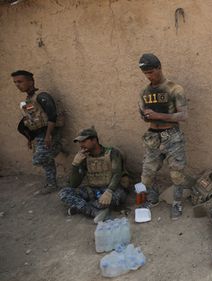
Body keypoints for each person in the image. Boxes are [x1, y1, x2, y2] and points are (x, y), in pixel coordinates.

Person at [137, 53, 191, 220]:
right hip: (152, 136)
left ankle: (177, 202)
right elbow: (143, 114)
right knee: (147, 172)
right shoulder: (144, 92)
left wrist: (158, 115)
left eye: (151, 72)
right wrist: (146, 116)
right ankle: (150, 199)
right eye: (145, 73)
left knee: (176, 173)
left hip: (172, 135)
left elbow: (183, 116)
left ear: (159, 68)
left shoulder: (175, 89)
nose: (148, 76)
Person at [59, 127, 127, 223]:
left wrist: (109, 191)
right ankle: (95, 212)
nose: (81, 145)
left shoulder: (112, 153)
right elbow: (74, 184)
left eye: (83, 141)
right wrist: (75, 165)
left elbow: (117, 174)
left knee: (119, 196)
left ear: (94, 140)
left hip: (112, 189)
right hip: (93, 191)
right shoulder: (84, 157)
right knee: (64, 192)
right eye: (79, 142)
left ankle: (80, 208)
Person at [12, 70, 63, 194]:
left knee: (39, 158)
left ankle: (60, 146)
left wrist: (48, 135)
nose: (17, 85)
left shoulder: (42, 96)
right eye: (15, 82)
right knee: (46, 161)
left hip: (49, 132)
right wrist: (30, 139)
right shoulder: (28, 100)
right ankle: (52, 184)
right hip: (39, 134)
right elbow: (32, 120)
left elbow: (52, 116)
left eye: (20, 81)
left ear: (30, 81)